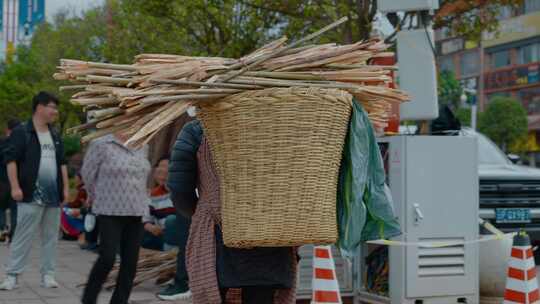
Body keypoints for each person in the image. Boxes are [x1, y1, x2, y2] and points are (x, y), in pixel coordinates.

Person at [168, 119, 297, 304]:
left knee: (216, 294)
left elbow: (179, 188)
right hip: (271, 232)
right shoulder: (279, 124)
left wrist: (199, 212)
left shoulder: (197, 130)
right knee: (262, 295)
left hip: (217, 234)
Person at [0, 92, 69, 290]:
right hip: (30, 194)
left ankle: (48, 275)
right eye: (52, 107)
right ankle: (12, 275)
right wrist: (15, 187)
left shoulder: (55, 134)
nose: (55, 111)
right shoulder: (22, 132)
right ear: (39, 107)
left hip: (53, 196)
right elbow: (10, 160)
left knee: (50, 237)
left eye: (56, 108)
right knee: (23, 235)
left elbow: (62, 163)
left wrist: (64, 189)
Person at [81, 131, 151, 304]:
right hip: (109, 208)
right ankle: (88, 299)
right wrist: (94, 194)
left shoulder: (143, 144)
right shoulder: (100, 144)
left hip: (137, 210)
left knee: (130, 263)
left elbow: (144, 177)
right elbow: (88, 174)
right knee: (107, 257)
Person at [142, 155, 191, 301]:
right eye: (160, 166)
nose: (162, 170)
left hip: (178, 235)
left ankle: (179, 276)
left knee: (171, 221)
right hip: (160, 236)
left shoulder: (179, 192)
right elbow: (145, 218)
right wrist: (148, 225)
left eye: (166, 167)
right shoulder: (151, 194)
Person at [0, 119, 21, 243]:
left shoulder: (1, 142)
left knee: (0, 208)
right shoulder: (21, 144)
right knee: (15, 209)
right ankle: (13, 233)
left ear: (7, 130)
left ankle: (2, 229)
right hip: (16, 182)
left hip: (1, 181)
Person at [60, 174, 87, 241]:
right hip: (81, 209)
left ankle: (71, 233)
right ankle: (68, 233)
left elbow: (77, 203)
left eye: (77, 179)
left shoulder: (82, 190)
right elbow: (77, 202)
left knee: (63, 211)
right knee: (63, 210)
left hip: (82, 210)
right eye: (75, 179)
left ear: (81, 180)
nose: (75, 180)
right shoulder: (80, 189)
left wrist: (67, 204)